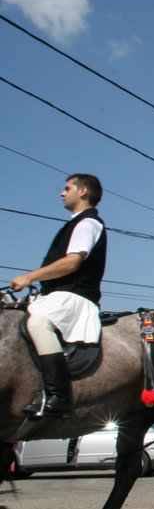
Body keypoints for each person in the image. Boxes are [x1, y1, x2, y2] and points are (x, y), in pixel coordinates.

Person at [10, 174, 106, 419]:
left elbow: (73, 263)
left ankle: (59, 396)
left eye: (67, 188)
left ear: (83, 191)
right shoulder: (74, 223)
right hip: (55, 294)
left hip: (74, 296)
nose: (61, 193)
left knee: (38, 321)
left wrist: (30, 277)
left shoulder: (88, 223)